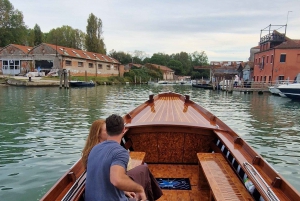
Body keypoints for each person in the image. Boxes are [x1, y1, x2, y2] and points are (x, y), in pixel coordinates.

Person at [84, 115, 162, 201]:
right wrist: (139, 189)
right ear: (124, 130)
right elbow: (116, 180)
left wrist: (124, 190)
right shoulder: (120, 152)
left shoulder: (95, 149)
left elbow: (105, 176)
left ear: (108, 130)